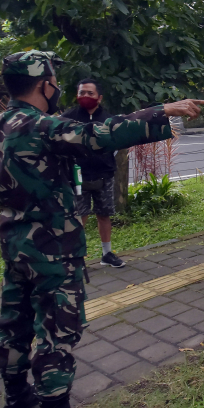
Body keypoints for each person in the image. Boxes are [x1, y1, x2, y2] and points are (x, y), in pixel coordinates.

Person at [0, 50, 204, 408]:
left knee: (14, 323)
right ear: (42, 85)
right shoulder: (42, 126)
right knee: (57, 325)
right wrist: (164, 109)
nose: (58, 88)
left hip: (15, 241)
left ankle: (17, 397)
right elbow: (100, 134)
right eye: (54, 81)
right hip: (52, 244)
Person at [61, 79, 122, 268]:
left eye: (90, 93)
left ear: (99, 97)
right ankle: (75, 257)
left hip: (104, 174)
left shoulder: (109, 119)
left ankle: (107, 253)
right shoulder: (67, 119)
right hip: (78, 177)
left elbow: (116, 145)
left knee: (104, 215)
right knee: (80, 217)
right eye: (82, 93)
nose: (85, 97)